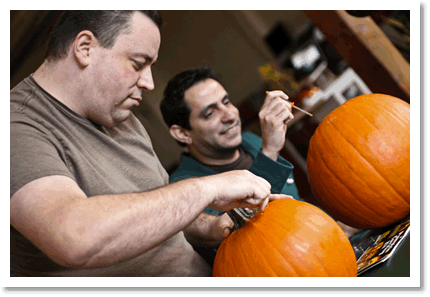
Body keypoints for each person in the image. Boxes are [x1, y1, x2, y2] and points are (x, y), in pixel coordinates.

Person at [10, 11, 290, 277]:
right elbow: (74, 237)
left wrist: (215, 225)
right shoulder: (16, 128)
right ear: (85, 47)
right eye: (138, 63)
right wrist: (208, 188)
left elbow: (160, 212)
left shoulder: (119, 113)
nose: (149, 83)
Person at [159, 68, 365, 263]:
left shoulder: (251, 140)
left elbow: (297, 207)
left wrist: (340, 227)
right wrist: (270, 151)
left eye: (227, 102)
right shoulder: (184, 186)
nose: (230, 115)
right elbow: (247, 238)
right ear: (182, 133)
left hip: (331, 241)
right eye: (210, 113)